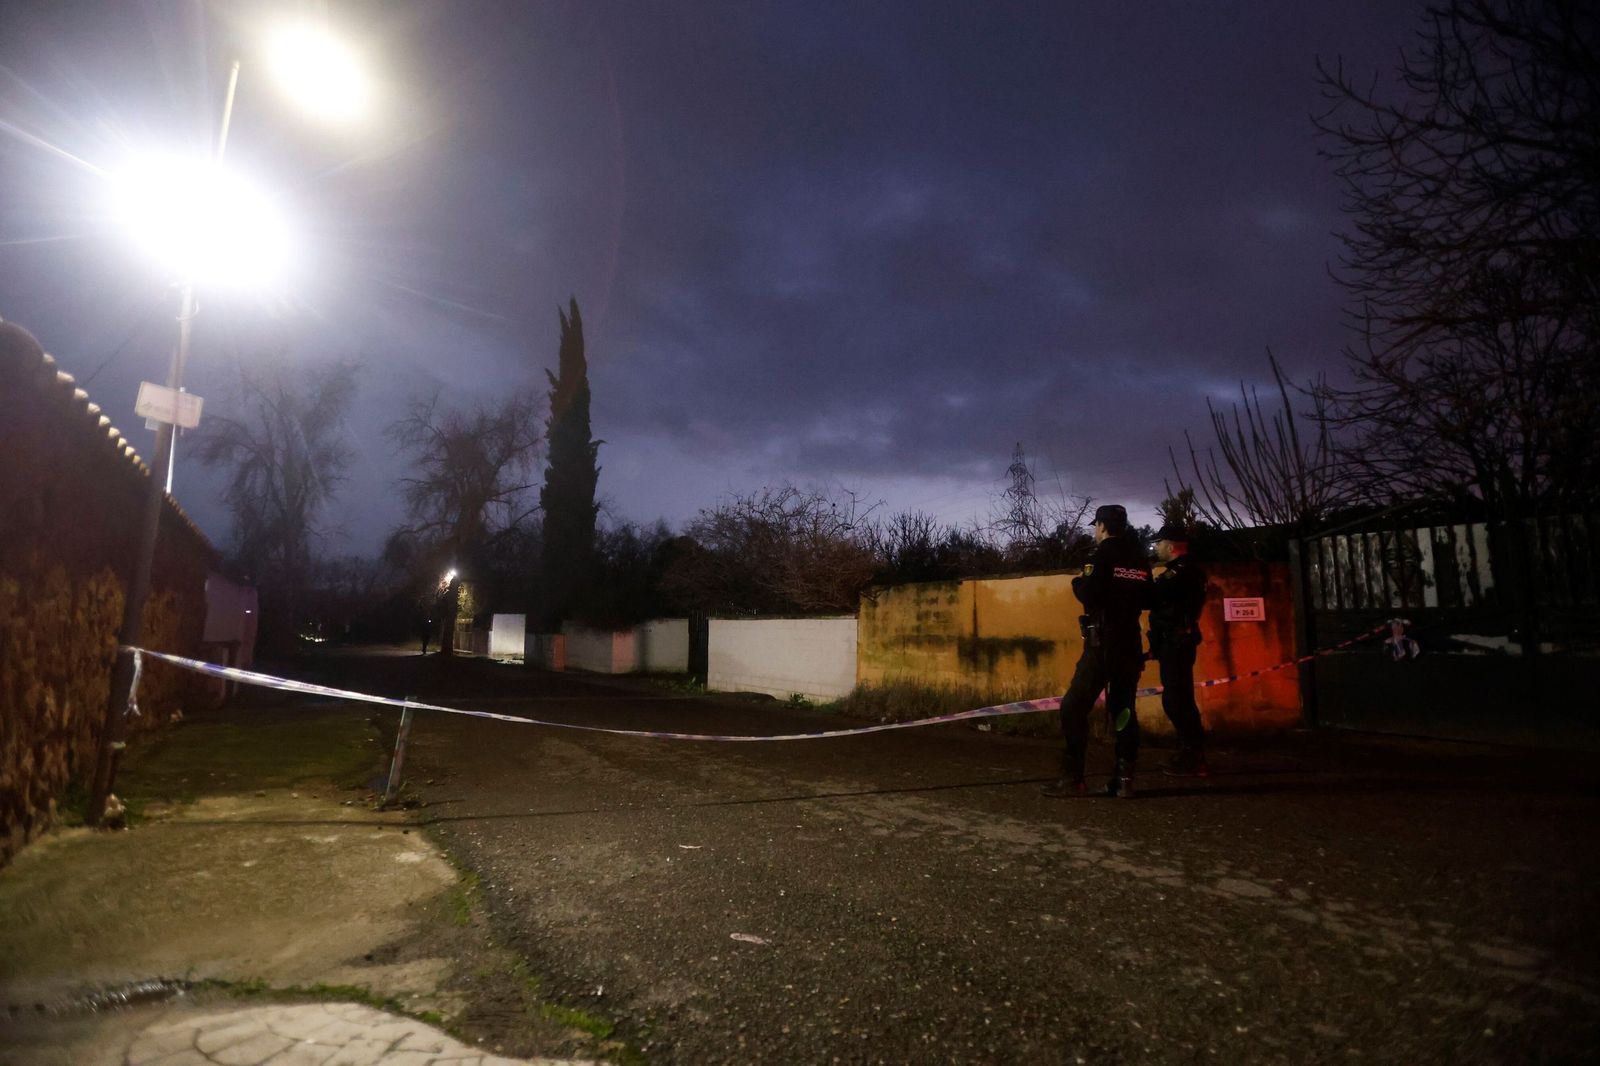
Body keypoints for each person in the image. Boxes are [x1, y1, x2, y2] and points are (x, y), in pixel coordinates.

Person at [1042, 504, 1152, 799]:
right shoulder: (1140, 560)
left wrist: (1078, 582)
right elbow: (1148, 600)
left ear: (1102, 526)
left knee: (1073, 707)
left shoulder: (1099, 557)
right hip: (1130, 645)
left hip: (1102, 645)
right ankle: (1124, 779)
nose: (1095, 531)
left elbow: (1088, 594)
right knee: (1124, 710)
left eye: (1096, 526)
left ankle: (1072, 778)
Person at [1149, 524, 1209, 776]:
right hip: (1174, 643)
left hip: (1176, 643)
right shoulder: (1188, 571)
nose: (1156, 547)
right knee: (1178, 699)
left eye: (1159, 543)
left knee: (1177, 701)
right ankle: (1189, 753)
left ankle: (1192, 757)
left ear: (1170, 545)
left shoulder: (1181, 572)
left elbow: (1152, 597)